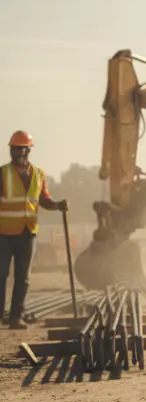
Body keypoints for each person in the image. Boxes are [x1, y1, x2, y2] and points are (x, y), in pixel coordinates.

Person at [0, 130, 68, 329]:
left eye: (18, 148)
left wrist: (57, 205)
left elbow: (43, 200)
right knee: (1, 276)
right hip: (4, 234)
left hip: (27, 233)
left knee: (23, 278)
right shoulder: (3, 173)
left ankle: (15, 318)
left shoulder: (38, 174)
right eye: (12, 149)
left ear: (26, 150)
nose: (14, 152)